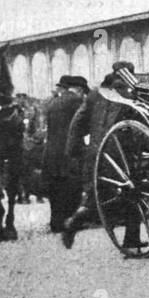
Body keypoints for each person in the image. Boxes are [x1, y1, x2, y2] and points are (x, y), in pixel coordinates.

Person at [62, 62, 143, 250]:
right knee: (132, 192)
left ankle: (76, 220)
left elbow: (77, 122)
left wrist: (74, 150)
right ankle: (129, 237)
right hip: (122, 153)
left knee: (98, 195)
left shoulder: (95, 94)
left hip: (98, 153)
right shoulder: (130, 94)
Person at [43, 76, 87, 232]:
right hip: (69, 151)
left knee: (55, 187)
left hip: (51, 151)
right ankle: (71, 221)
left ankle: (55, 222)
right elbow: (83, 124)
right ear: (80, 90)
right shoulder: (76, 101)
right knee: (72, 187)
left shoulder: (52, 102)